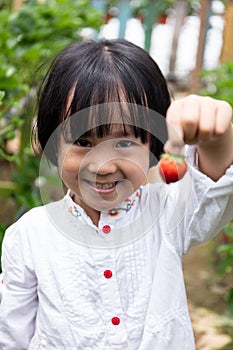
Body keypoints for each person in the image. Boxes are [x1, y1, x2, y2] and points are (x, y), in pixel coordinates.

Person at [0, 38, 232, 350]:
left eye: (124, 143)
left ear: (153, 144)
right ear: (51, 143)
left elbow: (214, 190)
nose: (104, 166)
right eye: (83, 142)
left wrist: (217, 136)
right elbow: (11, 333)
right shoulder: (29, 235)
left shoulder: (168, 213)